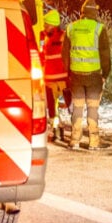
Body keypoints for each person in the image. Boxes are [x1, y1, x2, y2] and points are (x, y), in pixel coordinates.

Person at [62, 0, 111, 150]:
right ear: (95, 12)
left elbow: (65, 54)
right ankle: (94, 142)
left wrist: (68, 73)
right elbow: (105, 54)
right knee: (92, 108)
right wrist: (106, 73)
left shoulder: (71, 28)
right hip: (94, 75)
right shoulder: (99, 28)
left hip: (76, 75)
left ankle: (74, 140)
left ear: (82, 13)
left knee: (77, 107)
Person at [40, 9, 70, 142]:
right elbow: (42, 55)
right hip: (49, 80)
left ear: (54, 24)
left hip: (63, 79)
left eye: (47, 25)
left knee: (68, 106)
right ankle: (56, 129)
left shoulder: (63, 36)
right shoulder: (44, 37)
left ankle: (70, 129)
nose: (45, 27)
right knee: (52, 109)